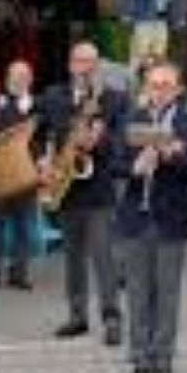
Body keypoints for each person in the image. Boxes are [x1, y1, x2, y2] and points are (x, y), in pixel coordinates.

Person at [115, 62, 187, 373]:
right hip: (136, 218)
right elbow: (115, 164)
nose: (159, 91)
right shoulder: (131, 120)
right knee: (138, 294)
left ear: (179, 90)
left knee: (167, 295)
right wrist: (133, 168)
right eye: (154, 85)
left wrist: (174, 156)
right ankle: (140, 360)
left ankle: (163, 360)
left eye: (166, 85)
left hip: (171, 219)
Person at [40, 42, 127, 346]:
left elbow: (121, 143)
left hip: (98, 188)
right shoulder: (53, 97)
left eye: (91, 62)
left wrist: (97, 143)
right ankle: (77, 316)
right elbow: (39, 135)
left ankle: (112, 316)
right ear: (69, 64)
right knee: (72, 257)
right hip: (65, 187)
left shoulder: (114, 100)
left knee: (104, 256)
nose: (85, 67)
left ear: (98, 67)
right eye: (79, 61)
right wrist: (43, 162)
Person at [0, 60, 39, 291]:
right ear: (7, 79)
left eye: (23, 77)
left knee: (23, 225)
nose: (19, 81)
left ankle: (19, 274)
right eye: (14, 77)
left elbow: (44, 139)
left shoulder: (38, 105)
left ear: (30, 80)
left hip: (26, 173)